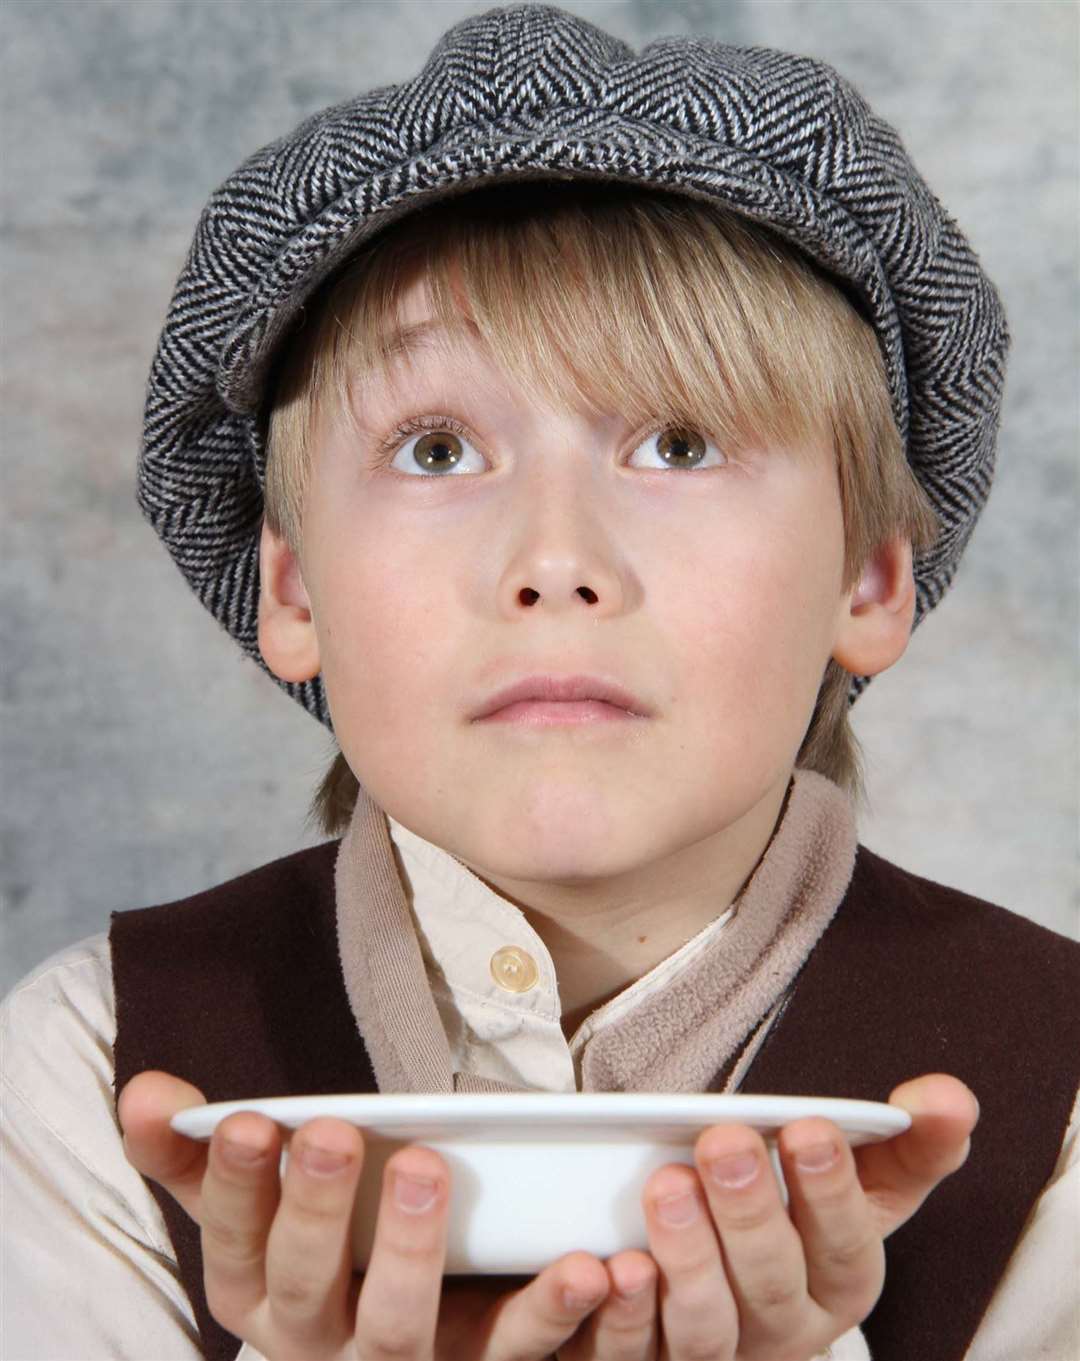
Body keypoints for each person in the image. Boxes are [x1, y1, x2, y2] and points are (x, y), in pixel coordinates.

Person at [2, 4, 1077, 1360]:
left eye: (680, 443)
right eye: (438, 450)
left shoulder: (1062, 1107)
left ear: (867, 579)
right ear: (293, 590)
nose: (557, 561)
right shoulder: (81, 1070)